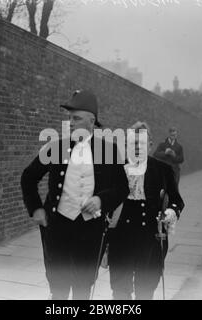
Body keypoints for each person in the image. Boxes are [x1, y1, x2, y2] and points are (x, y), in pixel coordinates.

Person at [21, 90, 129, 300]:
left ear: (92, 120)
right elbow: (28, 177)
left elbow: (123, 187)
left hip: (90, 229)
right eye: (70, 118)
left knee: (82, 288)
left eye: (76, 118)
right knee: (59, 288)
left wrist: (101, 200)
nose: (71, 122)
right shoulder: (56, 147)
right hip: (57, 227)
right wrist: (36, 208)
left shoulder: (110, 150)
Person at [107, 122, 185, 300]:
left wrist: (171, 212)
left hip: (150, 238)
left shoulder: (163, 170)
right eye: (132, 142)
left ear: (149, 145)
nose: (136, 147)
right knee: (120, 291)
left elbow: (177, 200)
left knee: (145, 290)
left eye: (141, 143)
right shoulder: (115, 169)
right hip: (121, 238)